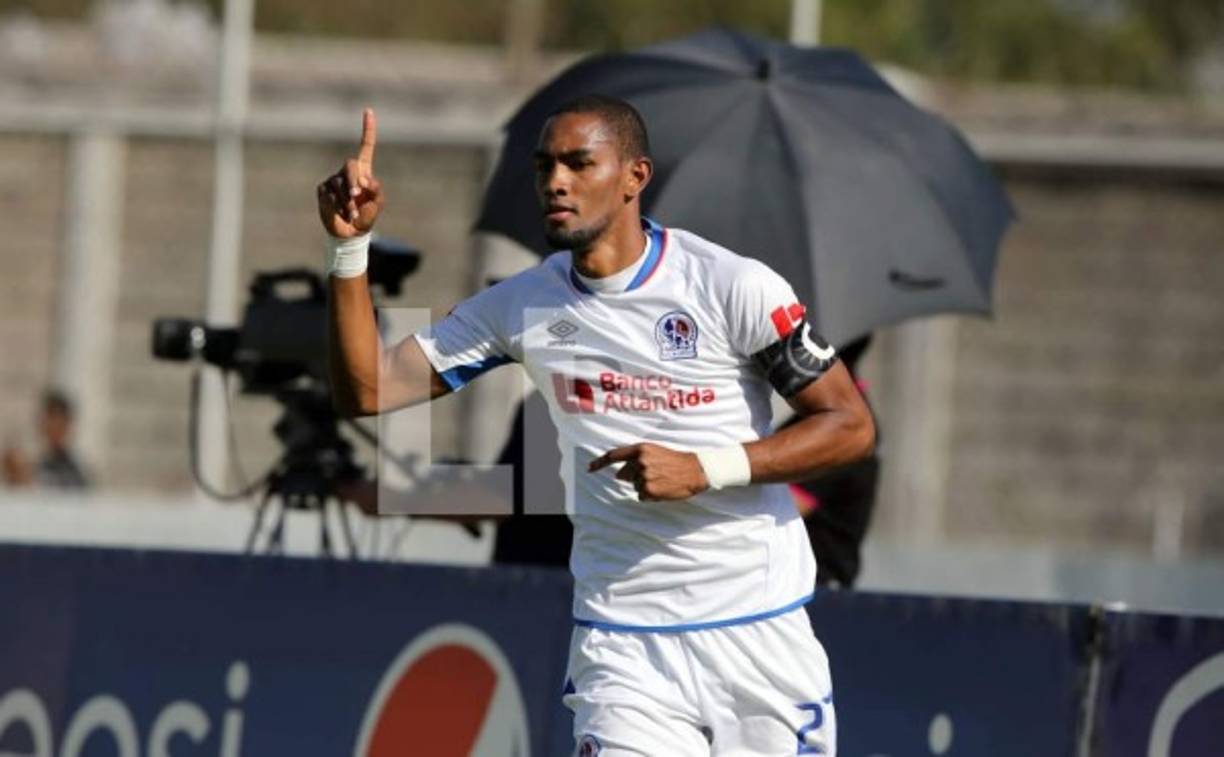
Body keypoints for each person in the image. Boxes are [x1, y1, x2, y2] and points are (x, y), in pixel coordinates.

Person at [318, 96, 874, 756]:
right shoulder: (524, 303)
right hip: (623, 644)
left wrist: (704, 468)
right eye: (545, 165)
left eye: (580, 163)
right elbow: (369, 388)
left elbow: (848, 424)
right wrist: (349, 249)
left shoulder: (732, 286)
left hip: (756, 635)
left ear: (635, 175)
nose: (556, 181)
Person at [1, 389, 91, 490]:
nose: (54, 430)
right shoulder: (35, 465)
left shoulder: (77, 473)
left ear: (68, 427)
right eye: (50, 423)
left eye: (59, 425)